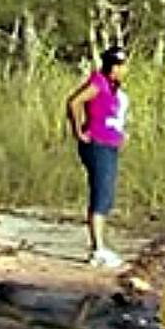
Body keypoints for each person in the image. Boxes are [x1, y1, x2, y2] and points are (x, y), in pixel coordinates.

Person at [65, 44, 131, 268]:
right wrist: (77, 131)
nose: (124, 69)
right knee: (101, 193)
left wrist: (121, 133)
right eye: (121, 65)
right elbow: (74, 101)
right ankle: (97, 249)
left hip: (109, 144)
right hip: (97, 144)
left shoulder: (113, 87)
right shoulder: (98, 82)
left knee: (107, 193)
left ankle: (100, 246)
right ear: (112, 67)